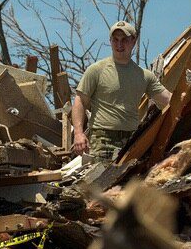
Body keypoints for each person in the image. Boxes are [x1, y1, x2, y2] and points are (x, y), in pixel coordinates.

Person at [72, 20, 172, 159]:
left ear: (133, 41)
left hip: (132, 140)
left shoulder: (144, 76)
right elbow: (80, 101)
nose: (119, 44)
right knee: (101, 179)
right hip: (103, 139)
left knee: (129, 180)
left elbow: (168, 100)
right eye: (115, 40)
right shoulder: (96, 70)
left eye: (124, 40)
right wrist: (78, 133)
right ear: (110, 41)